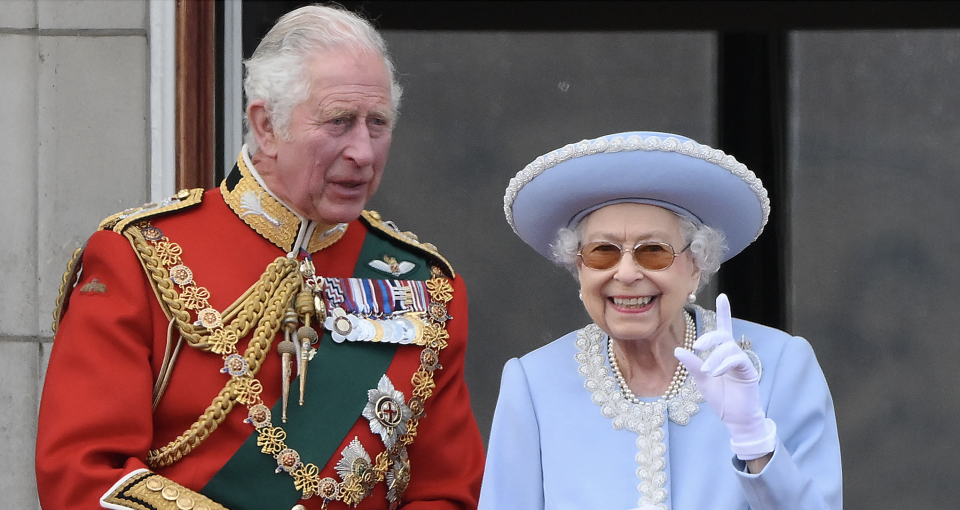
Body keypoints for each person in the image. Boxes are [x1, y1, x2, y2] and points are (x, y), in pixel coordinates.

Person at [36, 5, 484, 510]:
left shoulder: (426, 287)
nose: (363, 150)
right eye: (339, 121)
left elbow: (446, 493)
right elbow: (83, 477)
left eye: (376, 123)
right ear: (266, 125)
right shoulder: (139, 257)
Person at [480, 131, 841, 509]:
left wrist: (754, 440)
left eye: (653, 251)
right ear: (579, 268)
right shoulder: (534, 383)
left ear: (697, 267)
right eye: (603, 252)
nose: (626, 273)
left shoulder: (781, 365)